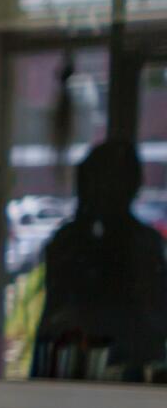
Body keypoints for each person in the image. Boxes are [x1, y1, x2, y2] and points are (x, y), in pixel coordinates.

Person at [34, 138, 167, 381]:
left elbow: (153, 320)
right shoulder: (71, 241)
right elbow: (57, 318)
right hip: (73, 377)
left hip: (131, 376)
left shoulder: (142, 243)